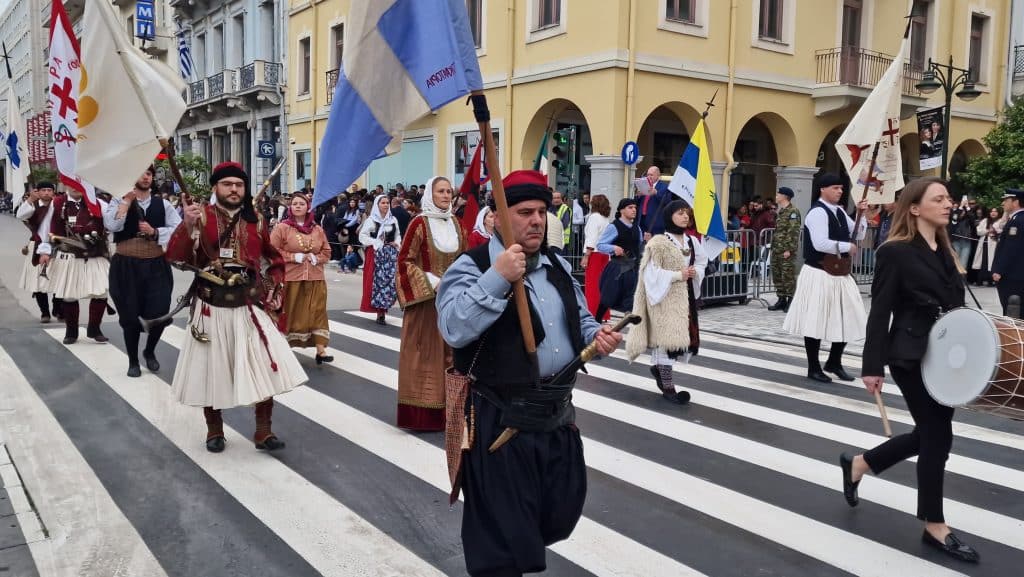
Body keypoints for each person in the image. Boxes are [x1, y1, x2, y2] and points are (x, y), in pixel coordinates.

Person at [436, 169, 623, 577]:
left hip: (556, 417)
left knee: (558, 512)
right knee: (501, 542)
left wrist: (598, 337)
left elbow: (581, 319)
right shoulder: (472, 266)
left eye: (541, 211)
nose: (537, 220)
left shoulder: (556, 263)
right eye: (524, 212)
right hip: (500, 422)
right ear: (498, 217)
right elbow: (452, 327)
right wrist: (498, 277)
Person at [841, 177, 978, 563]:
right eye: (939, 199)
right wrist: (872, 366)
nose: (948, 204)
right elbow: (880, 310)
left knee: (932, 434)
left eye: (949, 198)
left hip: (946, 358)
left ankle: (860, 464)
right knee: (937, 437)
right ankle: (935, 524)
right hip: (910, 355)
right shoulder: (895, 252)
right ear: (915, 207)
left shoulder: (947, 250)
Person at [167, 162, 307, 453]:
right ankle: (214, 430)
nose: (234, 189)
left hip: (249, 305)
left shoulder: (255, 217)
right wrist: (187, 225)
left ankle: (263, 432)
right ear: (215, 187)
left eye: (239, 185)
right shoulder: (201, 216)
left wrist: (273, 288)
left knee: (265, 368)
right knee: (209, 370)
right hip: (211, 306)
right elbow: (176, 257)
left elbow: (273, 259)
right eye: (227, 184)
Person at [395, 176, 467, 430]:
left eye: (449, 191)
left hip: (452, 300)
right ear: (430, 194)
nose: (446, 195)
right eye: (441, 191)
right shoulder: (419, 224)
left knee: (452, 355)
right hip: (426, 301)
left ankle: (452, 410)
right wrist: (432, 281)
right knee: (425, 355)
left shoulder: (457, 225)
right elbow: (405, 261)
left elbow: (465, 259)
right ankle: (422, 414)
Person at [783, 173, 867, 383]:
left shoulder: (838, 211)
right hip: (819, 272)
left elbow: (858, 234)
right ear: (823, 189)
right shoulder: (817, 213)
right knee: (816, 319)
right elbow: (820, 243)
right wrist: (848, 247)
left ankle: (834, 361)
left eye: (841, 188)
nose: (840, 191)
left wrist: (861, 215)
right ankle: (813, 366)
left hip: (839, 272)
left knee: (849, 314)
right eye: (835, 188)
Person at [627, 201, 707, 405]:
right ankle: (668, 385)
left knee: (681, 339)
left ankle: (659, 370)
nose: (685, 217)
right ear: (669, 216)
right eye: (680, 213)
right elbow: (651, 273)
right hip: (664, 297)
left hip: (685, 297)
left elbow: (701, 262)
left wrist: (694, 272)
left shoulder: (692, 241)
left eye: (687, 213)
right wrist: (677, 275)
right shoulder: (659, 243)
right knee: (667, 340)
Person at [104, 166, 181, 377]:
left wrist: (155, 232)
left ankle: (149, 350)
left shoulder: (163, 204)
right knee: (129, 315)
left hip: (156, 264)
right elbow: (111, 225)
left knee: (160, 313)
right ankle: (132, 360)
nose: (145, 177)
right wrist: (126, 202)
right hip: (126, 266)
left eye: (148, 173)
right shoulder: (117, 201)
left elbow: (178, 229)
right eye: (140, 172)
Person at [36, 184, 111, 344]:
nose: (75, 187)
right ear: (65, 184)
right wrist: (44, 250)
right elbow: (45, 229)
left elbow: (112, 224)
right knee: (69, 295)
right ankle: (71, 331)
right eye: (71, 183)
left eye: (79, 183)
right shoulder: (57, 203)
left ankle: (94, 328)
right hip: (68, 255)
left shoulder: (98, 203)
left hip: (95, 254)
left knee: (101, 292)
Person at [270, 193, 334, 363]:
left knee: (317, 311)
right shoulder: (282, 228)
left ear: (308, 207)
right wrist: (292, 257)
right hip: (291, 278)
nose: (298, 206)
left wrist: (316, 258)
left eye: (302, 204)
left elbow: (327, 252)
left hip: (315, 277)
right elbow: (271, 252)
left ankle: (321, 350)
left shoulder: (317, 229)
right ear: (290, 207)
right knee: (290, 311)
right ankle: (284, 347)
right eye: (295, 204)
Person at [16, 182, 60, 323]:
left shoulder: (59, 205)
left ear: (53, 192)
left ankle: (58, 308)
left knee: (59, 279)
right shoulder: (32, 205)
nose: (46, 193)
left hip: (58, 245)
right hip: (37, 245)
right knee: (39, 282)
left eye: (49, 190)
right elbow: (20, 215)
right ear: (38, 192)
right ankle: (45, 312)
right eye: (43, 190)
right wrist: (30, 200)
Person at [359, 194, 402, 325]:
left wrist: (396, 242)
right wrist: (376, 242)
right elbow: (362, 236)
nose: (385, 205)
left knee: (388, 283)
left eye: (387, 203)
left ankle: (384, 308)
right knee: (377, 282)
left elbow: (398, 235)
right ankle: (380, 312)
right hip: (376, 253)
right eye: (383, 203)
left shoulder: (392, 220)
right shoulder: (371, 220)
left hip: (389, 254)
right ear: (377, 205)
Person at [595, 198, 641, 320]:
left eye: (635, 207)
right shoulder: (614, 226)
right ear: (621, 210)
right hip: (617, 268)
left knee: (630, 296)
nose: (634, 210)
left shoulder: (637, 228)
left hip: (633, 268)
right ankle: (597, 321)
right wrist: (613, 247)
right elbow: (600, 245)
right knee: (608, 297)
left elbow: (640, 246)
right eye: (630, 207)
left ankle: (629, 317)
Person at [991, 188, 1024, 315]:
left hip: (1013, 275)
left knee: (1012, 310)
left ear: (1015, 202)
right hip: (1017, 273)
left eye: (1006, 200)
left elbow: (1011, 248)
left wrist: (999, 270)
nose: (1003, 203)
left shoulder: (1017, 221)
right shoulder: (1016, 219)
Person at [768, 187, 801, 312]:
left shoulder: (793, 212)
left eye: (778, 194)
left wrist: (789, 249)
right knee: (777, 275)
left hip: (786, 250)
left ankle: (791, 300)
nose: (776, 196)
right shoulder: (781, 211)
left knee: (787, 276)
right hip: (777, 249)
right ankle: (781, 299)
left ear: (785, 196)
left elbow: (793, 232)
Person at [581, 194, 611, 319]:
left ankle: (592, 312)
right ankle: (603, 313)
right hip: (604, 254)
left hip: (594, 254)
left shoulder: (594, 217)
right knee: (602, 286)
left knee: (592, 285)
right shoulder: (605, 219)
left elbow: (592, 238)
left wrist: (586, 256)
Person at [971, 207, 1002, 286]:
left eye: (995, 211)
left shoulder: (1000, 221)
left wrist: (994, 231)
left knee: (991, 261)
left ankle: (991, 281)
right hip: (984, 242)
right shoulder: (985, 220)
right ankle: (979, 280)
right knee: (983, 261)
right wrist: (988, 230)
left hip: (994, 243)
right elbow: (978, 231)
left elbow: (1002, 230)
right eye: (992, 211)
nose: (993, 213)